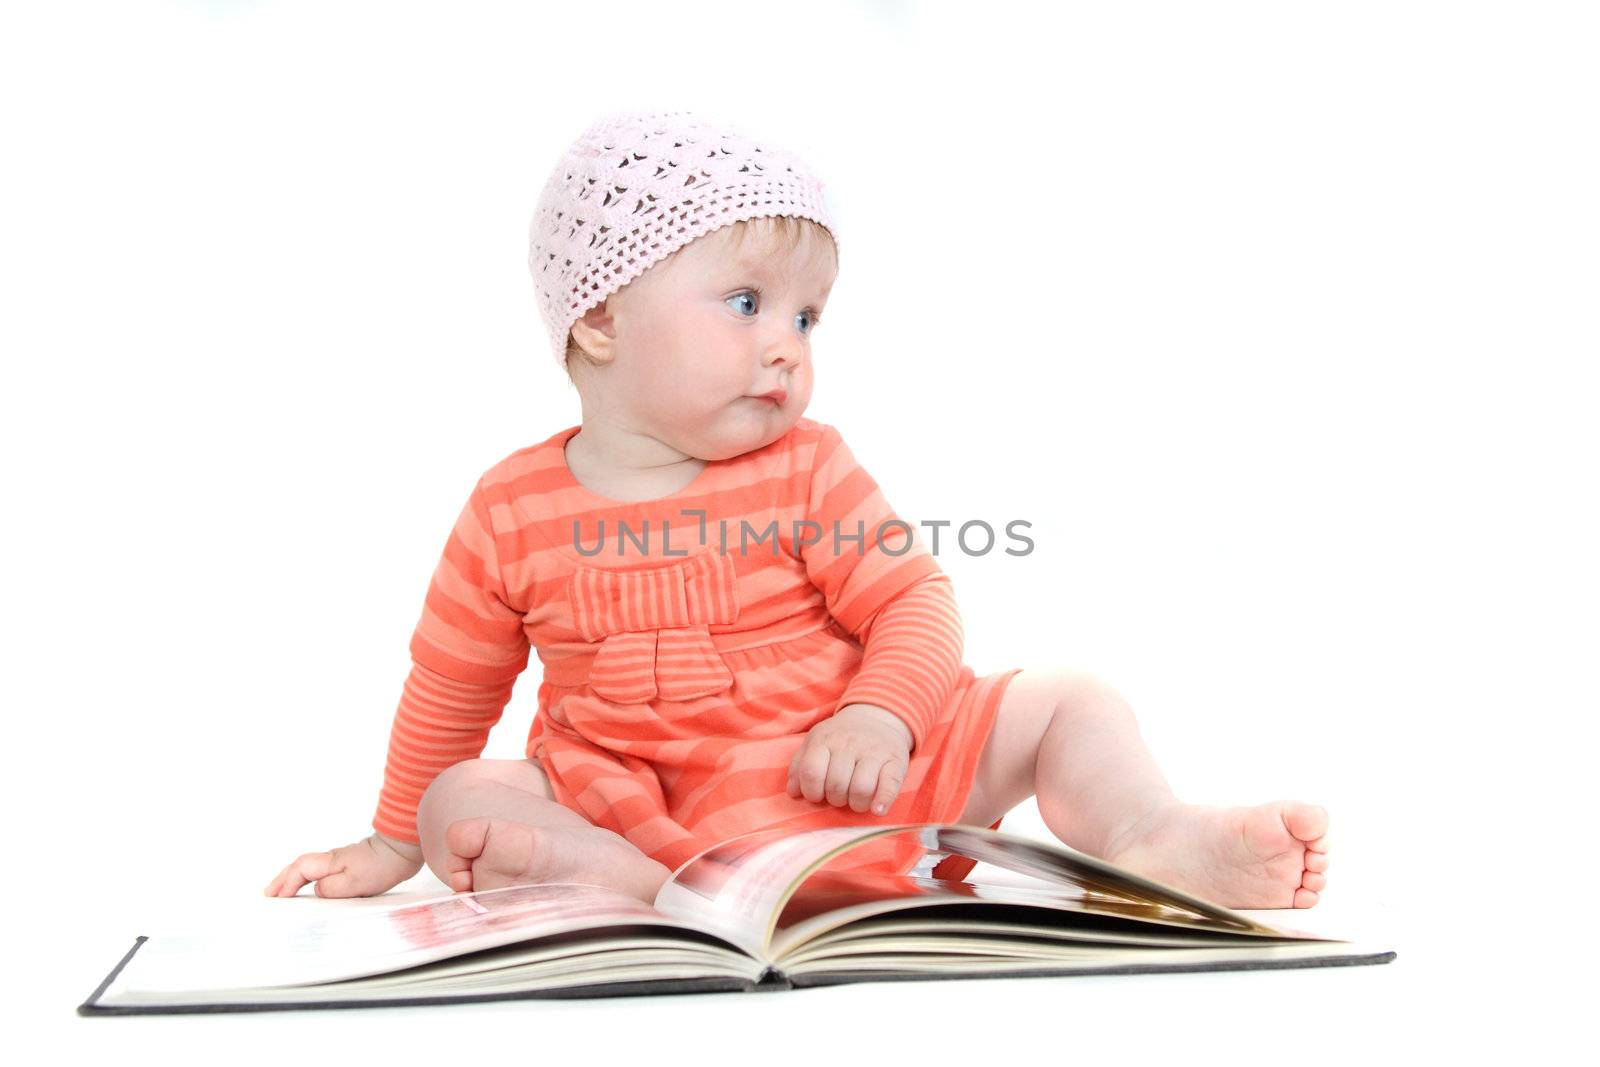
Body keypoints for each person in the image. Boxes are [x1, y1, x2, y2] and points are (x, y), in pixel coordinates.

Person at [264, 110, 1329, 909]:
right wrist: (396, 836)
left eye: (808, 316)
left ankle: (1148, 835)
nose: (788, 344)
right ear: (597, 318)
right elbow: (453, 679)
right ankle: (632, 885)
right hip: (649, 803)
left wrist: (882, 713)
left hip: (859, 774)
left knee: (1068, 698)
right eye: (747, 303)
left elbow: (913, 599)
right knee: (467, 792)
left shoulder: (806, 466)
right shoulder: (509, 506)